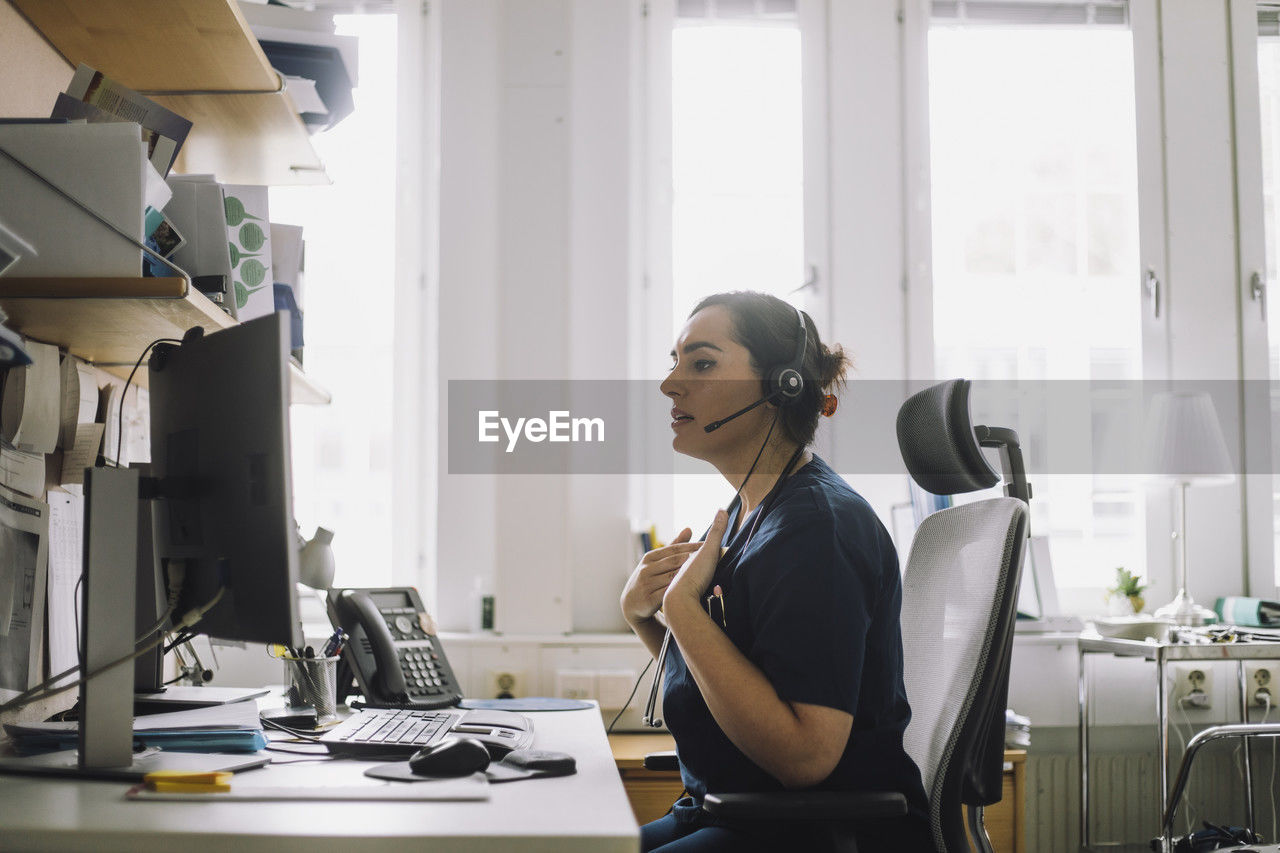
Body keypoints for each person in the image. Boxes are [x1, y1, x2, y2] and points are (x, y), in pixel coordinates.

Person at [620, 291, 934, 852]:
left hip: (813, 836)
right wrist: (645, 617)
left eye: (703, 363)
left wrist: (681, 612)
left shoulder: (816, 529)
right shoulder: (752, 511)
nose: (670, 384)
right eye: (674, 362)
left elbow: (805, 755)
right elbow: (730, 686)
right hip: (730, 815)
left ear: (780, 386)